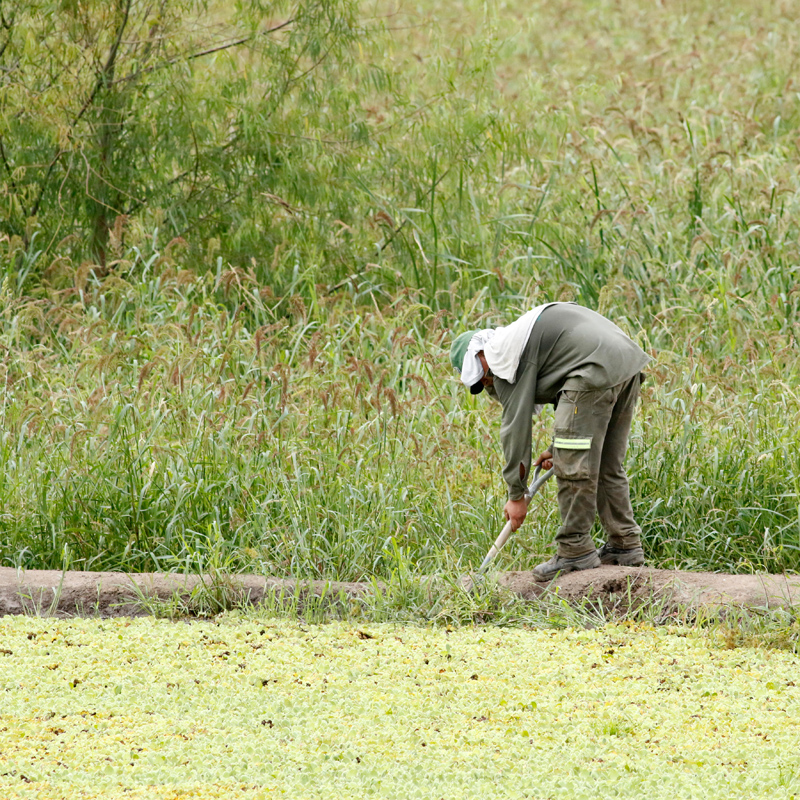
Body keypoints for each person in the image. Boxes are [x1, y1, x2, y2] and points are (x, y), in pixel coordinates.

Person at [450, 302, 651, 581]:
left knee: (573, 466)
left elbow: (516, 429)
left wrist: (516, 496)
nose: (485, 381)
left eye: (481, 374)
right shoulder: (520, 343)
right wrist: (555, 448)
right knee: (607, 463)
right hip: (623, 363)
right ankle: (624, 544)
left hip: (593, 369)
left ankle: (574, 549)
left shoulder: (502, 357)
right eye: (478, 382)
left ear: (481, 353)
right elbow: (572, 399)